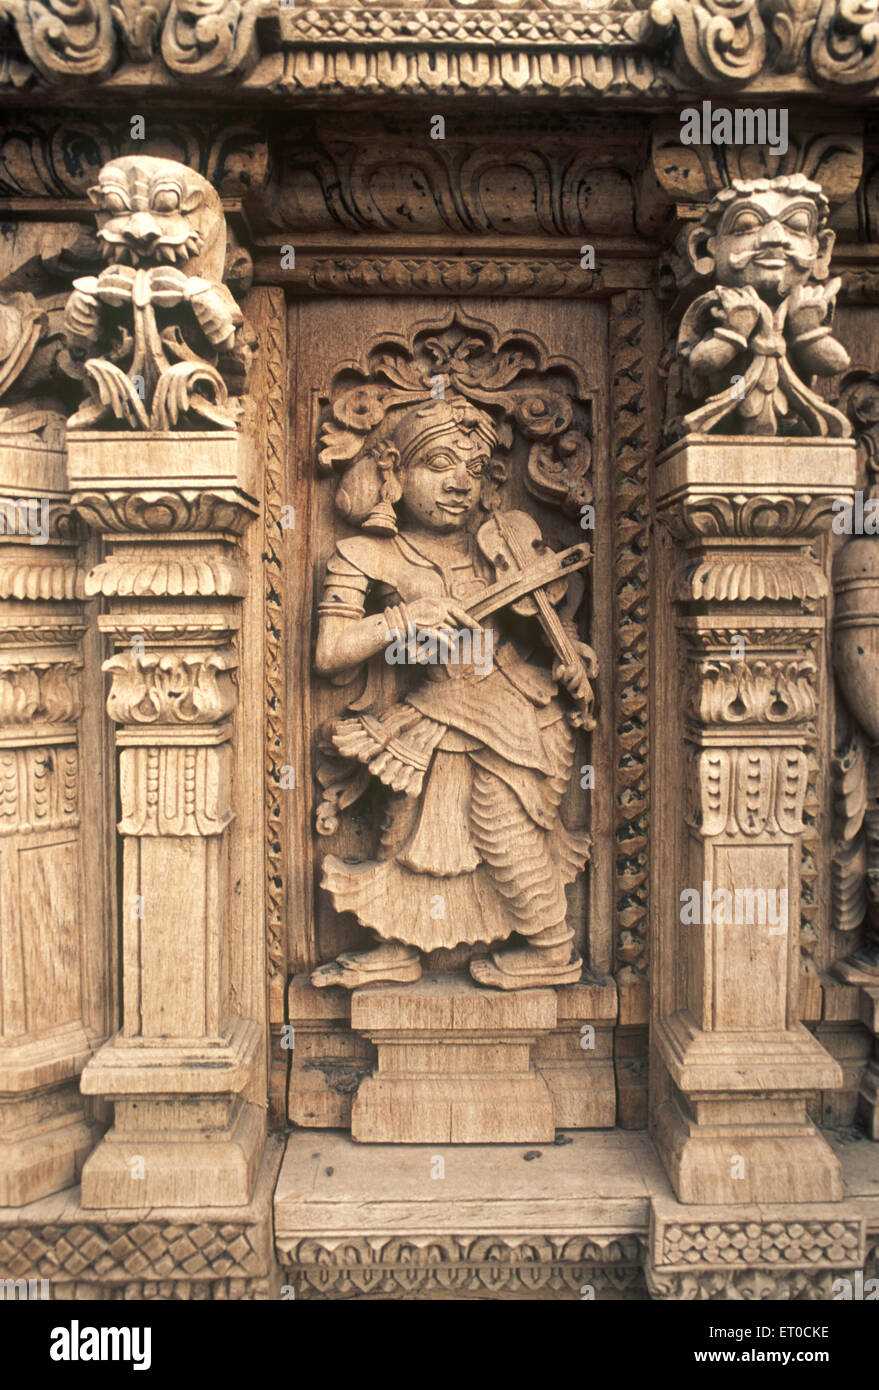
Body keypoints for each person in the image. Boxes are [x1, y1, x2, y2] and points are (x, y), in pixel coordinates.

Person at [311, 393, 596, 991]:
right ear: (394, 471)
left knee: (501, 825)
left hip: (517, 709)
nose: (458, 483)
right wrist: (400, 622)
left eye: (472, 469)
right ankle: (399, 945)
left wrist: (575, 661)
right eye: (440, 464)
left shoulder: (502, 545)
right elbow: (329, 652)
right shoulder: (364, 555)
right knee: (411, 826)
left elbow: (549, 626)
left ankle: (552, 947)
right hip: (437, 704)